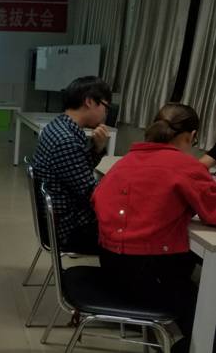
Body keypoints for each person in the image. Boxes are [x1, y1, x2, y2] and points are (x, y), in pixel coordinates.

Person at [92, 103, 216, 353]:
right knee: (206, 315)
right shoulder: (186, 167)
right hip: (148, 277)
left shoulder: (125, 161)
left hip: (110, 266)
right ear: (191, 136)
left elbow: (97, 199)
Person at [32, 76, 111, 253]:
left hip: (59, 220)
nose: (105, 114)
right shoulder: (66, 140)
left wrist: (97, 149)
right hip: (70, 229)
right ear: (89, 102)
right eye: (105, 107)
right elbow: (91, 194)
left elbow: (76, 172)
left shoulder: (57, 126)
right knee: (133, 233)